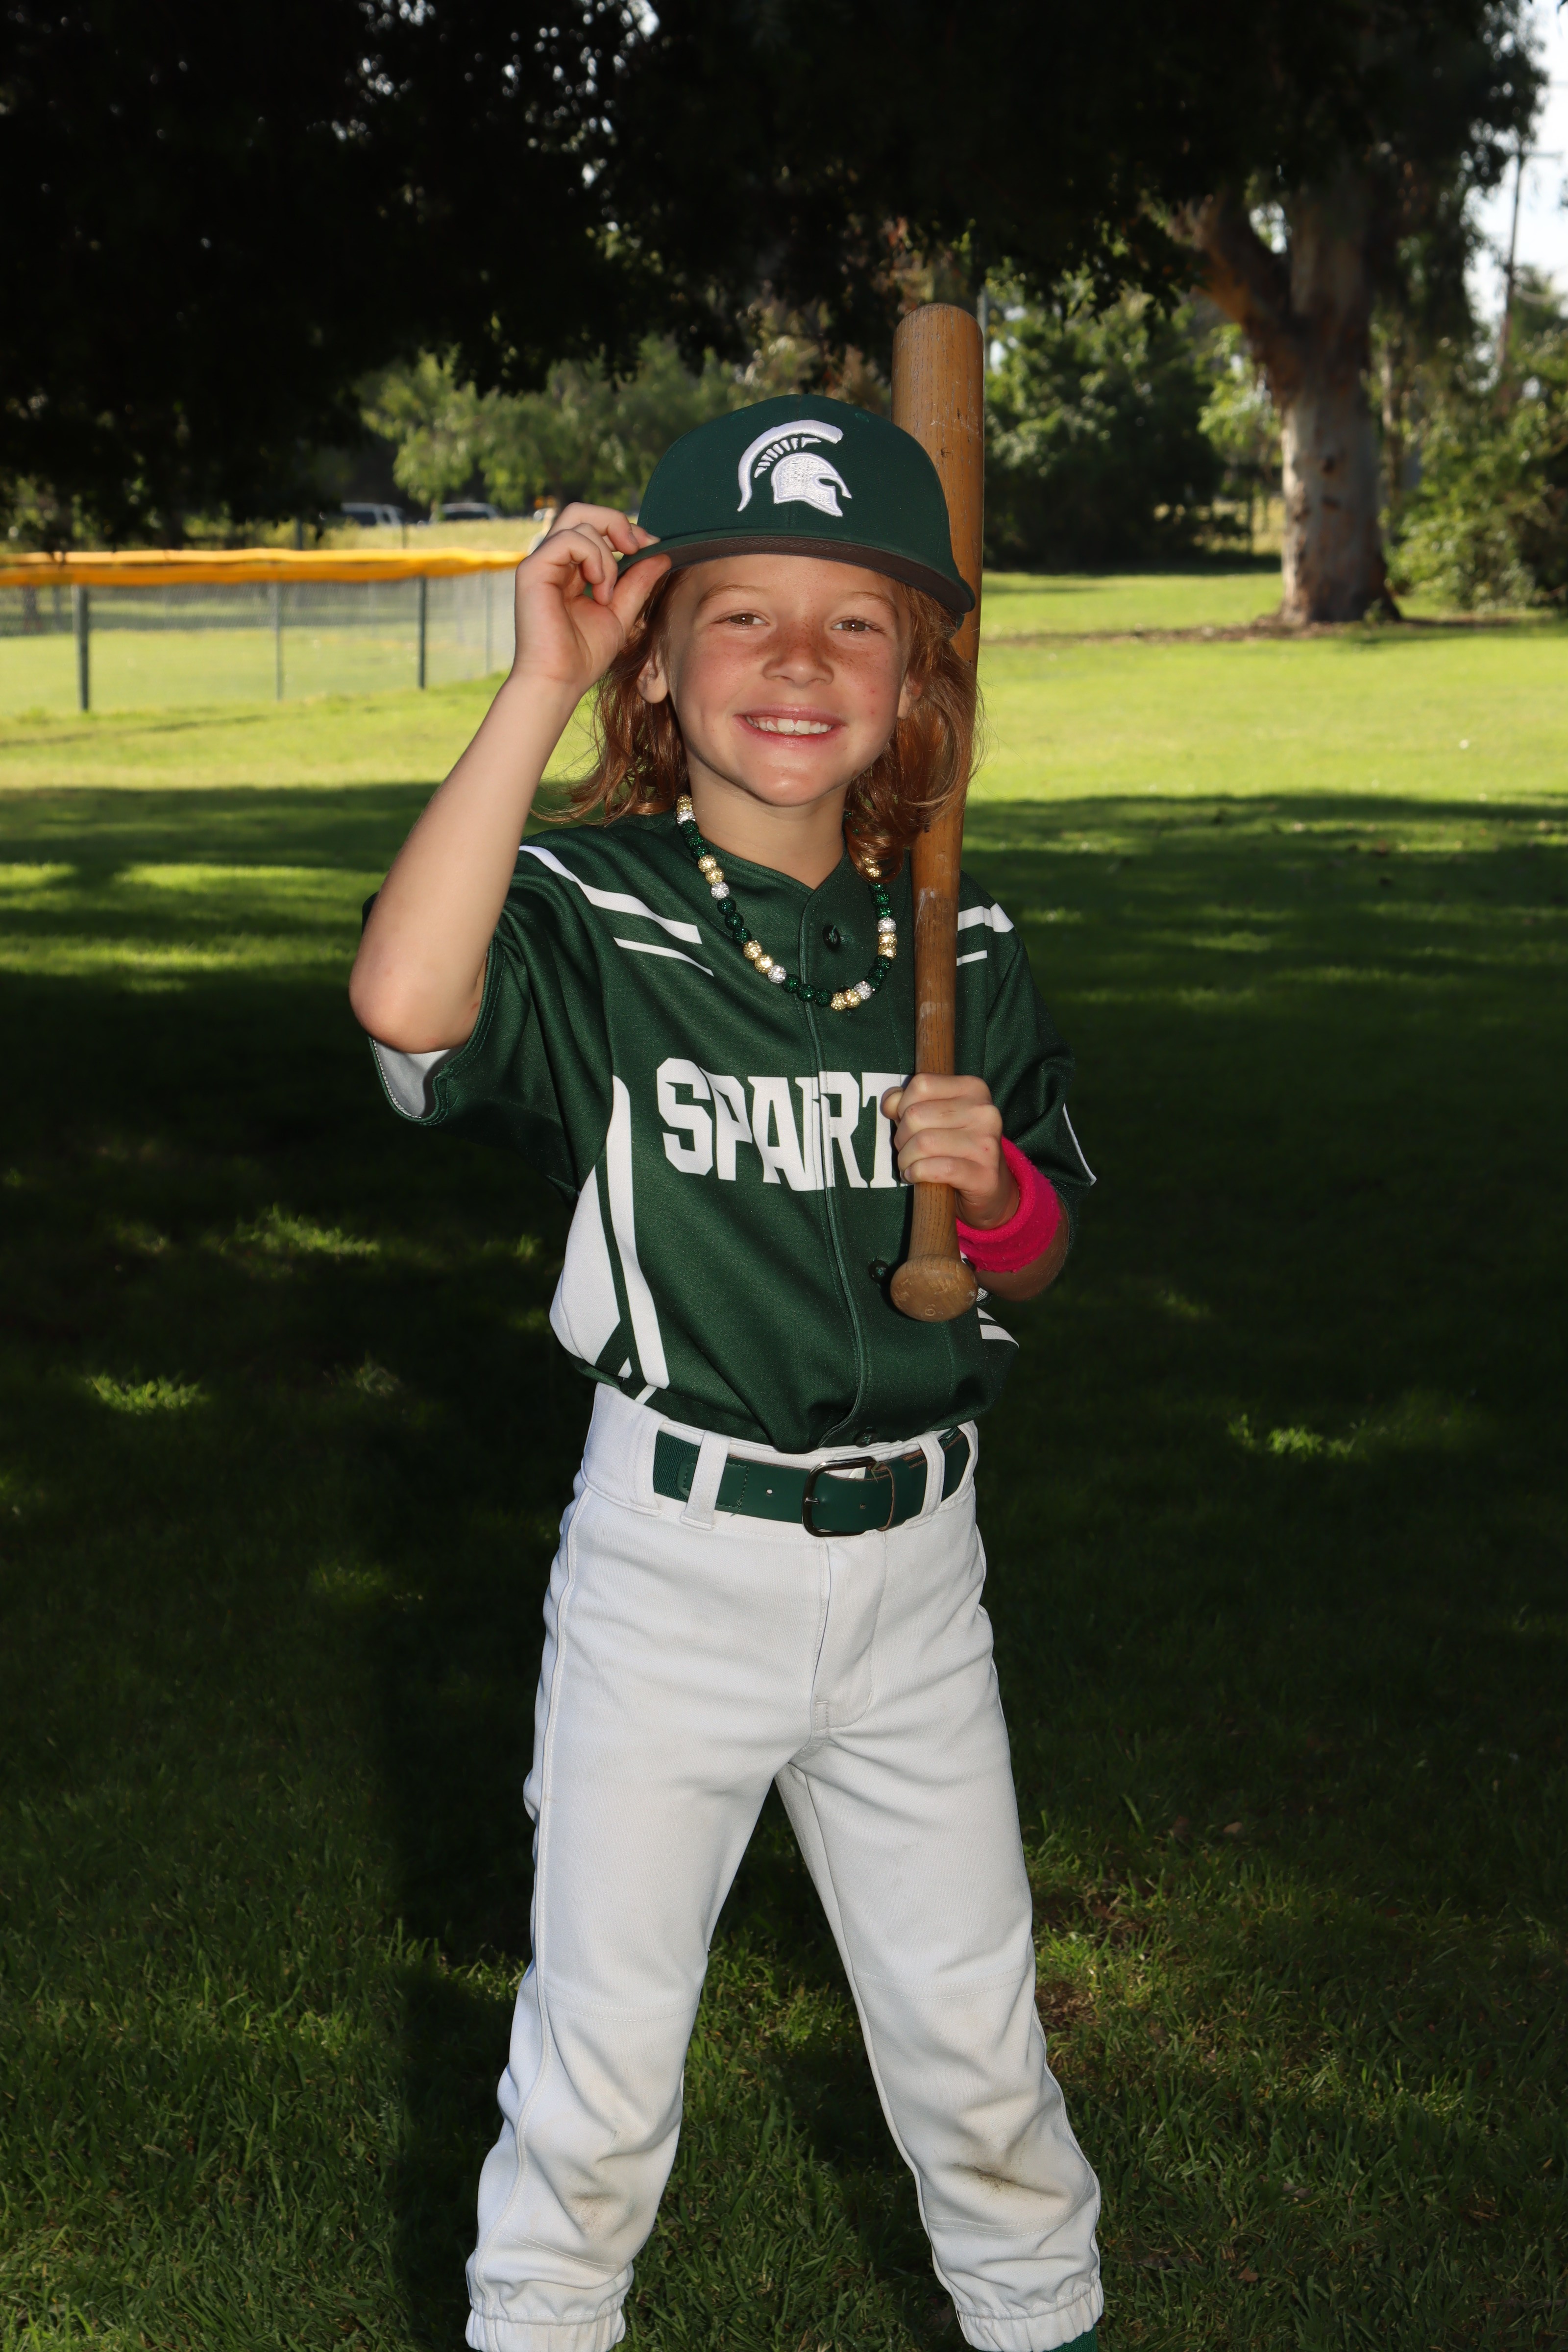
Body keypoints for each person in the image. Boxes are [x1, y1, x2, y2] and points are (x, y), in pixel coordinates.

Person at [349, 395, 1102, 2352]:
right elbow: (407, 1003)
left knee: (978, 2051)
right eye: (740, 614)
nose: (796, 658)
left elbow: (1039, 1253)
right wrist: (535, 683)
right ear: (658, 665)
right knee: (601, 2070)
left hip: (920, 1578)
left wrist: (995, 1194)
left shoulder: (961, 941)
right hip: (674, 1571)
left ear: (915, 683)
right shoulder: (596, 913)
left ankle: (1039, 2318)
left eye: (857, 623)